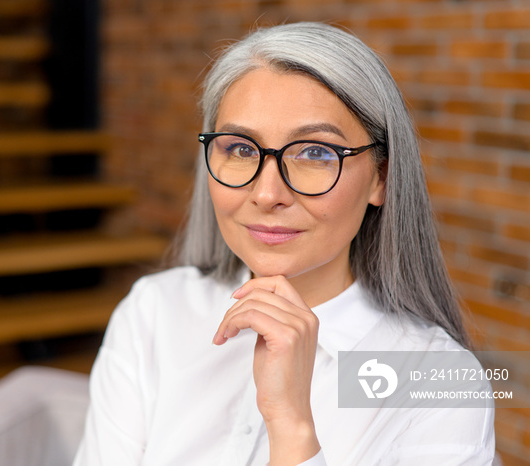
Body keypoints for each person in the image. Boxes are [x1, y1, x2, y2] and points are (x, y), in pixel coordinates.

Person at [72, 22, 495, 465]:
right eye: (240, 149)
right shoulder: (155, 312)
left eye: (314, 152)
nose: (267, 194)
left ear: (381, 177)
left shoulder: (440, 382)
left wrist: (291, 426)